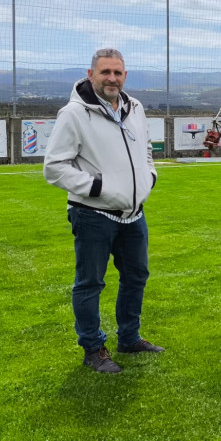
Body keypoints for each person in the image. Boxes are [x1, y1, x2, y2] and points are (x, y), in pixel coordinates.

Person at [43, 48, 161, 374]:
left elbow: (146, 150)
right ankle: (93, 349)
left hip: (133, 213)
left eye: (118, 73)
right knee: (90, 283)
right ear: (91, 73)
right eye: (105, 72)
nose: (112, 78)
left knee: (136, 276)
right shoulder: (73, 113)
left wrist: (149, 178)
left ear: (125, 76)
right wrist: (98, 189)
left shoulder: (134, 107)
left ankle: (130, 338)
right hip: (93, 215)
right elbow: (54, 168)